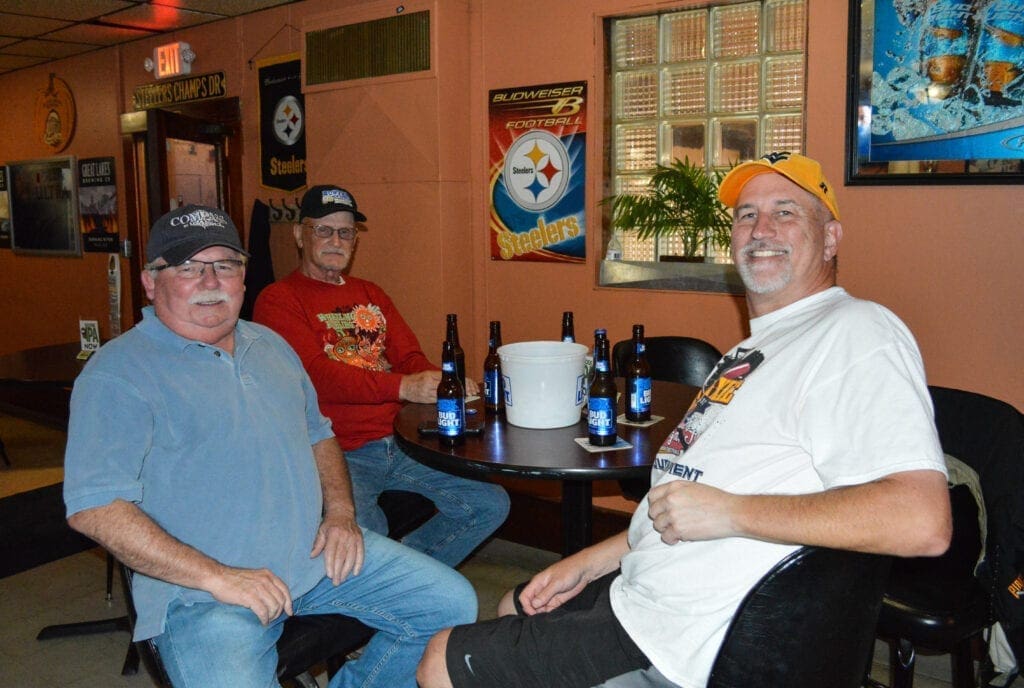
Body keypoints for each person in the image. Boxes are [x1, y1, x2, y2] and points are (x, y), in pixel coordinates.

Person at [417, 152, 954, 688]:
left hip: (682, 633)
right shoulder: (752, 349)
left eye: (785, 212)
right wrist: (590, 561)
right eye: (747, 215)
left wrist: (734, 513)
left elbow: (921, 520)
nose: (761, 229)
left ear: (831, 238)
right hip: (648, 585)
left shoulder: (856, 330)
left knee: (440, 660)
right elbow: (686, 499)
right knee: (515, 603)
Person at [63, 204, 477, 688]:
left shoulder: (270, 345)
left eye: (224, 265)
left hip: (310, 556)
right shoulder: (118, 373)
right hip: (201, 593)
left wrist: (341, 514)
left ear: (243, 277)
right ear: (152, 283)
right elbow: (94, 507)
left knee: (450, 603)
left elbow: (319, 433)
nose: (210, 280)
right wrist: (219, 576)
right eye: (189, 268)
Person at [254, 185, 509, 567]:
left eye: (345, 232)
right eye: (324, 230)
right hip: (340, 451)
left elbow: (407, 355)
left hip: (401, 440)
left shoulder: (370, 293)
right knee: (363, 536)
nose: (336, 241)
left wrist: (438, 379)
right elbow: (316, 376)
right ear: (298, 235)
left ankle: (406, 574)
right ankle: (395, 580)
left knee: (489, 504)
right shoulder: (278, 299)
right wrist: (403, 385)